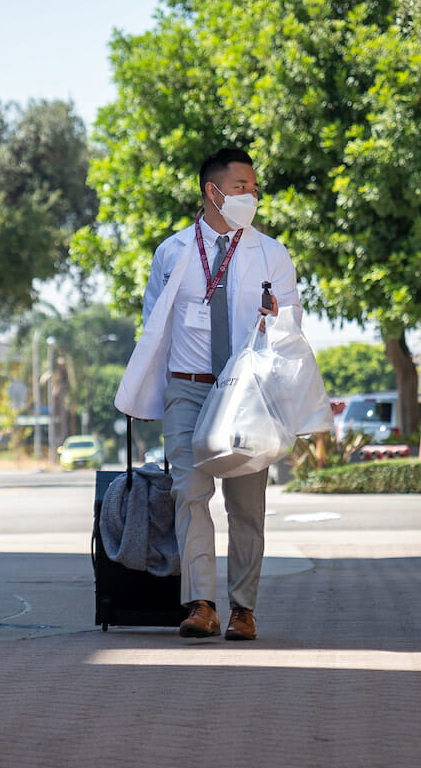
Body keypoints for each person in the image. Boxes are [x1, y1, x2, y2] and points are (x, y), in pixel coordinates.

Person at [115, 147, 299, 640]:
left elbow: (290, 325)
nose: (252, 196)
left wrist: (275, 317)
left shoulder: (271, 253)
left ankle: (243, 609)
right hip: (188, 388)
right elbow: (157, 327)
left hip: (246, 394)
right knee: (189, 494)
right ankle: (201, 604)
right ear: (212, 191)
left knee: (247, 504)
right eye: (242, 187)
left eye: (255, 188)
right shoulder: (173, 252)